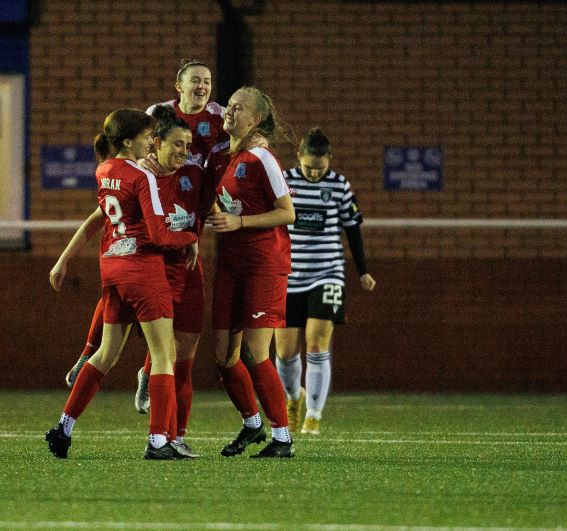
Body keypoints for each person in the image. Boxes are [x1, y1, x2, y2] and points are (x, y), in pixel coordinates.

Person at [64, 59, 227, 410]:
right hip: (152, 246)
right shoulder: (144, 169)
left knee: (176, 340)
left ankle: (134, 386)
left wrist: (208, 218)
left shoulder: (218, 121)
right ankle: (159, 435)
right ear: (178, 87)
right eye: (195, 80)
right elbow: (110, 217)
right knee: (151, 334)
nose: (202, 86)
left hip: (175, 238)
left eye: (207, 81)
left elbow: (229, 155)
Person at [45, 109, 198, 460]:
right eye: (147, 137)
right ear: (129, 141)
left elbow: (103, 220)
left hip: (112, 269)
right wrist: (190, 235)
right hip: (142, 270)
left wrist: (64, 259)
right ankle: (159, 441)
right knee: (164, 355)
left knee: (105, 354)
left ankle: (64, 427)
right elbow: (159, 235)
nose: (151, 142)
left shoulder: (104, 171)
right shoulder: (140, 176)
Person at [205, 86, 297, 458]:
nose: (229, 112)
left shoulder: (262, 157)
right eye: (228, 105)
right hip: (231, 264)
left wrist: (239, 222)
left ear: (255, 119)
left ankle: (283, 437)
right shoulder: (225, 157)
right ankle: (252, 423)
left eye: (238, 108)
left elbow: (287, 212)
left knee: (257, 354)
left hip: (263, 264)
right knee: (224, 356)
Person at [273, 128, 376, 435]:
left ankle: (313, 417)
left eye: (321, 168)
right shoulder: (284, 181)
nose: (316, 174)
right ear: (299, 158)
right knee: (285, 352)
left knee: (317, 343)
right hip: (288, 276)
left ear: (329, 161)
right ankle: (294, 399)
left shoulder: (340, 185)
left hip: (327, 273)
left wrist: (363, 271)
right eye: (309, 168)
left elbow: (353, 229)